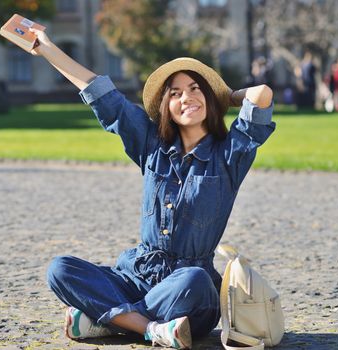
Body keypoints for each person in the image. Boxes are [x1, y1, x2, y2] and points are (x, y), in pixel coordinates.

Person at [26, 28, 275, 349]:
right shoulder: (150, 145)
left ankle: (106, 320)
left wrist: (224, 94)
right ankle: (150, 329)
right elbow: (101, 93)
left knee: (196, 281)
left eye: (196, 89)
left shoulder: (229, 156)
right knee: (60, 269)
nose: (187, 97)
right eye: (176, 93)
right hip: (134, 276)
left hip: (185, 288)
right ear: (164, 107)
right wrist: (47, 48)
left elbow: (261, 94)